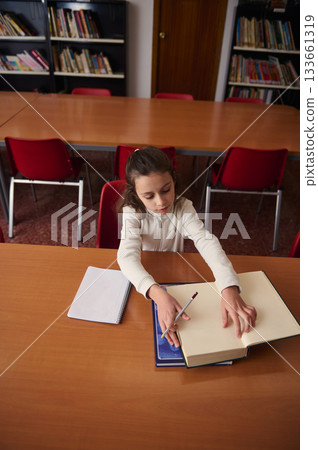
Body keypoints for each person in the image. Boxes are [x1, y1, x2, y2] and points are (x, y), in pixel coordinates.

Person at [117, 146, 257, 347]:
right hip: (145, 280)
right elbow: (126, 257)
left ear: (174, 180)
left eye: (166, 190)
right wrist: (157, 293)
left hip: (174, 273)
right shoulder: (132, 211)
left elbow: (205, 241)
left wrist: (228, 285)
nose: (161, 201)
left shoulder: (183, 207)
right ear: (136, 194)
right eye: (149, 196)